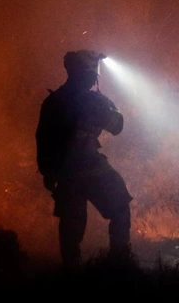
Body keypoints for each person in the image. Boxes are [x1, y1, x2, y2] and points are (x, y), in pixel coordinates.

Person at [36, 49, 133, 268]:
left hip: (64, 173)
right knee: (120, 206)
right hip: (92, 167)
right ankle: (120, 264)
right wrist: (109, 105)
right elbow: (117, 126)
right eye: (93, 74)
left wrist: (48, 172)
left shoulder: (52, 101)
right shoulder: (92, 102)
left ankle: (72, 272)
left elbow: (42, 139)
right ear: (87, 74)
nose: (95, 78)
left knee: (71, 225)